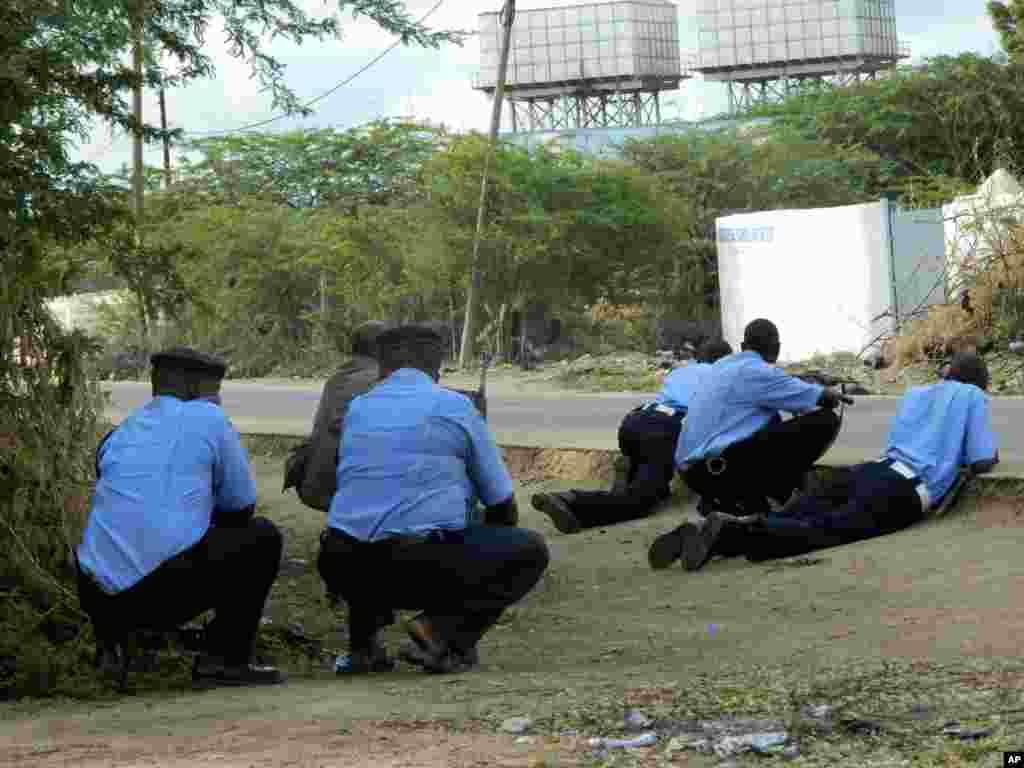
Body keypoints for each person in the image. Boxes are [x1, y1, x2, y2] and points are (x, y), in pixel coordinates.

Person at [317, 325, 549, 675]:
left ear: (382, 368)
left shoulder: (359, 408)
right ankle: (441, 632)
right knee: (527, 550)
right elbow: (501, 501)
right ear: (436, 367)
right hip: (417, 566)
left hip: (340, 563)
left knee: (367, 529)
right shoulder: (454, 406)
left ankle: (363, 648)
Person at [672, 352, 999, 570]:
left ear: (947, 372)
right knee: (829, 529)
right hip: (903, 488)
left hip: (871, 469)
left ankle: (719, 530)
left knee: (805, 511)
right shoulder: (973, 395)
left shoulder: (916, 394)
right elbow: (982, 459)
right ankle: (734, 535)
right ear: (979, 383)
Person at [76, 348, 285, 687]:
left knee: (124, 539)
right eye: (213, 391)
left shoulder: (121, 431)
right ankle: (225, 658)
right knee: (260, 537)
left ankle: (111, 646)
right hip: (158, 592)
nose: (217, 400)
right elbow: (241, 506)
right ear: (192, 388)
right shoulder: (208, 418)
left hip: (95, 592)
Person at [648, 318, 853, 569]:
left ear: (743, 345)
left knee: (769, 420)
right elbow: (817, 398)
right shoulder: (758, 372)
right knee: (822, 422)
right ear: (776, 348)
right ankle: (764, 505)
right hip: (719, 469)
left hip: (695, 472)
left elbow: (773, 393)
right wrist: (830, 393)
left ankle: (720, 520)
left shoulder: (721, 368)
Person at [529, 339, 733, 534]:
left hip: (635, 421)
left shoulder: (681, 372)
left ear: (700, 358)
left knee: (654, 482)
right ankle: (570, 500)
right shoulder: (722, 375)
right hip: (664, 429)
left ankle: (632, 471)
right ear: (726, 361)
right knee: (641, 501)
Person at [284, 321, 387, 511]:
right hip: (344, 489)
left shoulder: (337, 379)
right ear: (381, 349)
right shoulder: (379, 381)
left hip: (315, 484)